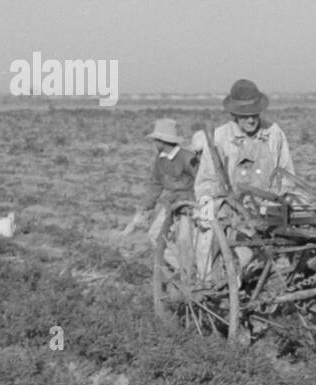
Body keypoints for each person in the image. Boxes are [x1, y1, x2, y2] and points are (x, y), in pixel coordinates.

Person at [193, 79, 296, 279]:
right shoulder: (220, 138)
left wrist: (273, 199)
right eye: (245, 116)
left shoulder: (274, 133)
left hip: (269, 207)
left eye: (254, 115)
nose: (251, 120)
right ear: (234, 115)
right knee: (206, 239)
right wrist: (208, 215)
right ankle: (208, 284)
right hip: (231, 210)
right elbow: (205, 183)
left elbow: (287, 174)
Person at [123, 118, 199, 253]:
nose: (153, 143)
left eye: (155, 140)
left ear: (162, 141)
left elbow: (200, 181)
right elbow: (155, 184)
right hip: (171, 203)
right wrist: (145, 208)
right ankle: (180, 267)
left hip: (189, 205)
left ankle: (187, 268)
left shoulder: (187, 158)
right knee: (154, 236)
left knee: (184, 241)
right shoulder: (161, 158)